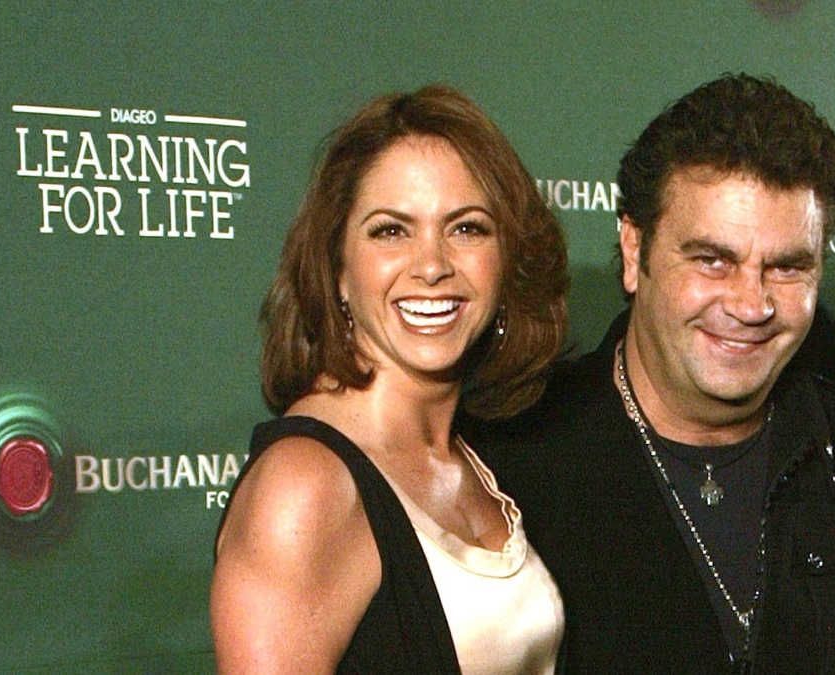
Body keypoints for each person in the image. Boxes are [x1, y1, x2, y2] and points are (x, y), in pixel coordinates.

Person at [470, 74, 835, 672]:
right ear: (633, 251)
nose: (752, 305)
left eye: (787, 268)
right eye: (713, 260)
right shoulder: (511, 459)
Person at [210, 85, 569, 673]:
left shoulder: (478, 459)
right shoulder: (304, 487)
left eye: (467, 229)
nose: (432, 266)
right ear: (337, 269)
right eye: (391, 231)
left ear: (507, 261)